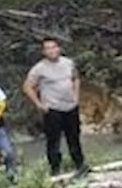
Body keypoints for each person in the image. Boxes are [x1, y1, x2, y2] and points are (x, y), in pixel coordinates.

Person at [23, 37, 87, 176]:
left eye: (53, 47)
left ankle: (80, 165)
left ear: (59, 48)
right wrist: (39, 104)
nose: (51, 50)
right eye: (47, 48)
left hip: (70, 106)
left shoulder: (68, 63)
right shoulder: (39, 68)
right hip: (52, 109)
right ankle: (55, 170)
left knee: (74, 138)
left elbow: (76, 78)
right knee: (53, 141)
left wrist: (76, 96)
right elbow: (27, 87)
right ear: (44, 52)